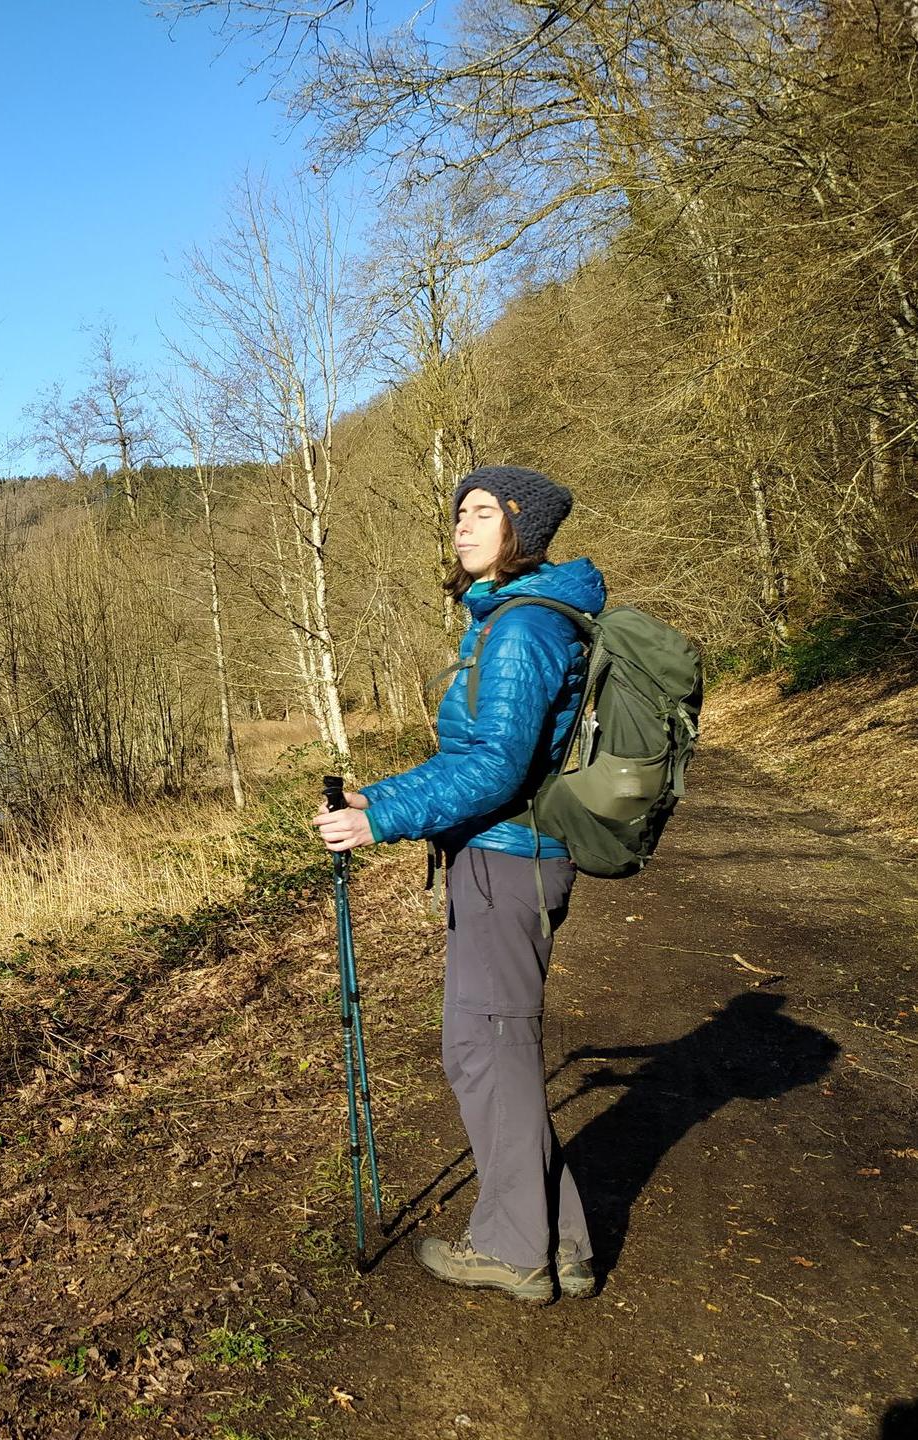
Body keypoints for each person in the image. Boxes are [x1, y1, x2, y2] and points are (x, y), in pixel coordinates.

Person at [313, 464, 606, 1305]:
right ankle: (566, 1242)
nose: (463, 525)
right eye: (459, 511)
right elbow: (478, 756)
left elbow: (495, 765)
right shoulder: (528, 616)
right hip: (513, 857)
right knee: (501, 1049)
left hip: (504, 862)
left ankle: (516, 1253)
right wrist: (386, 793)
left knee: (483, 1051)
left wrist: (380, 819)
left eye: (483, 512)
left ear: (524, 527)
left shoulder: (519, 629)